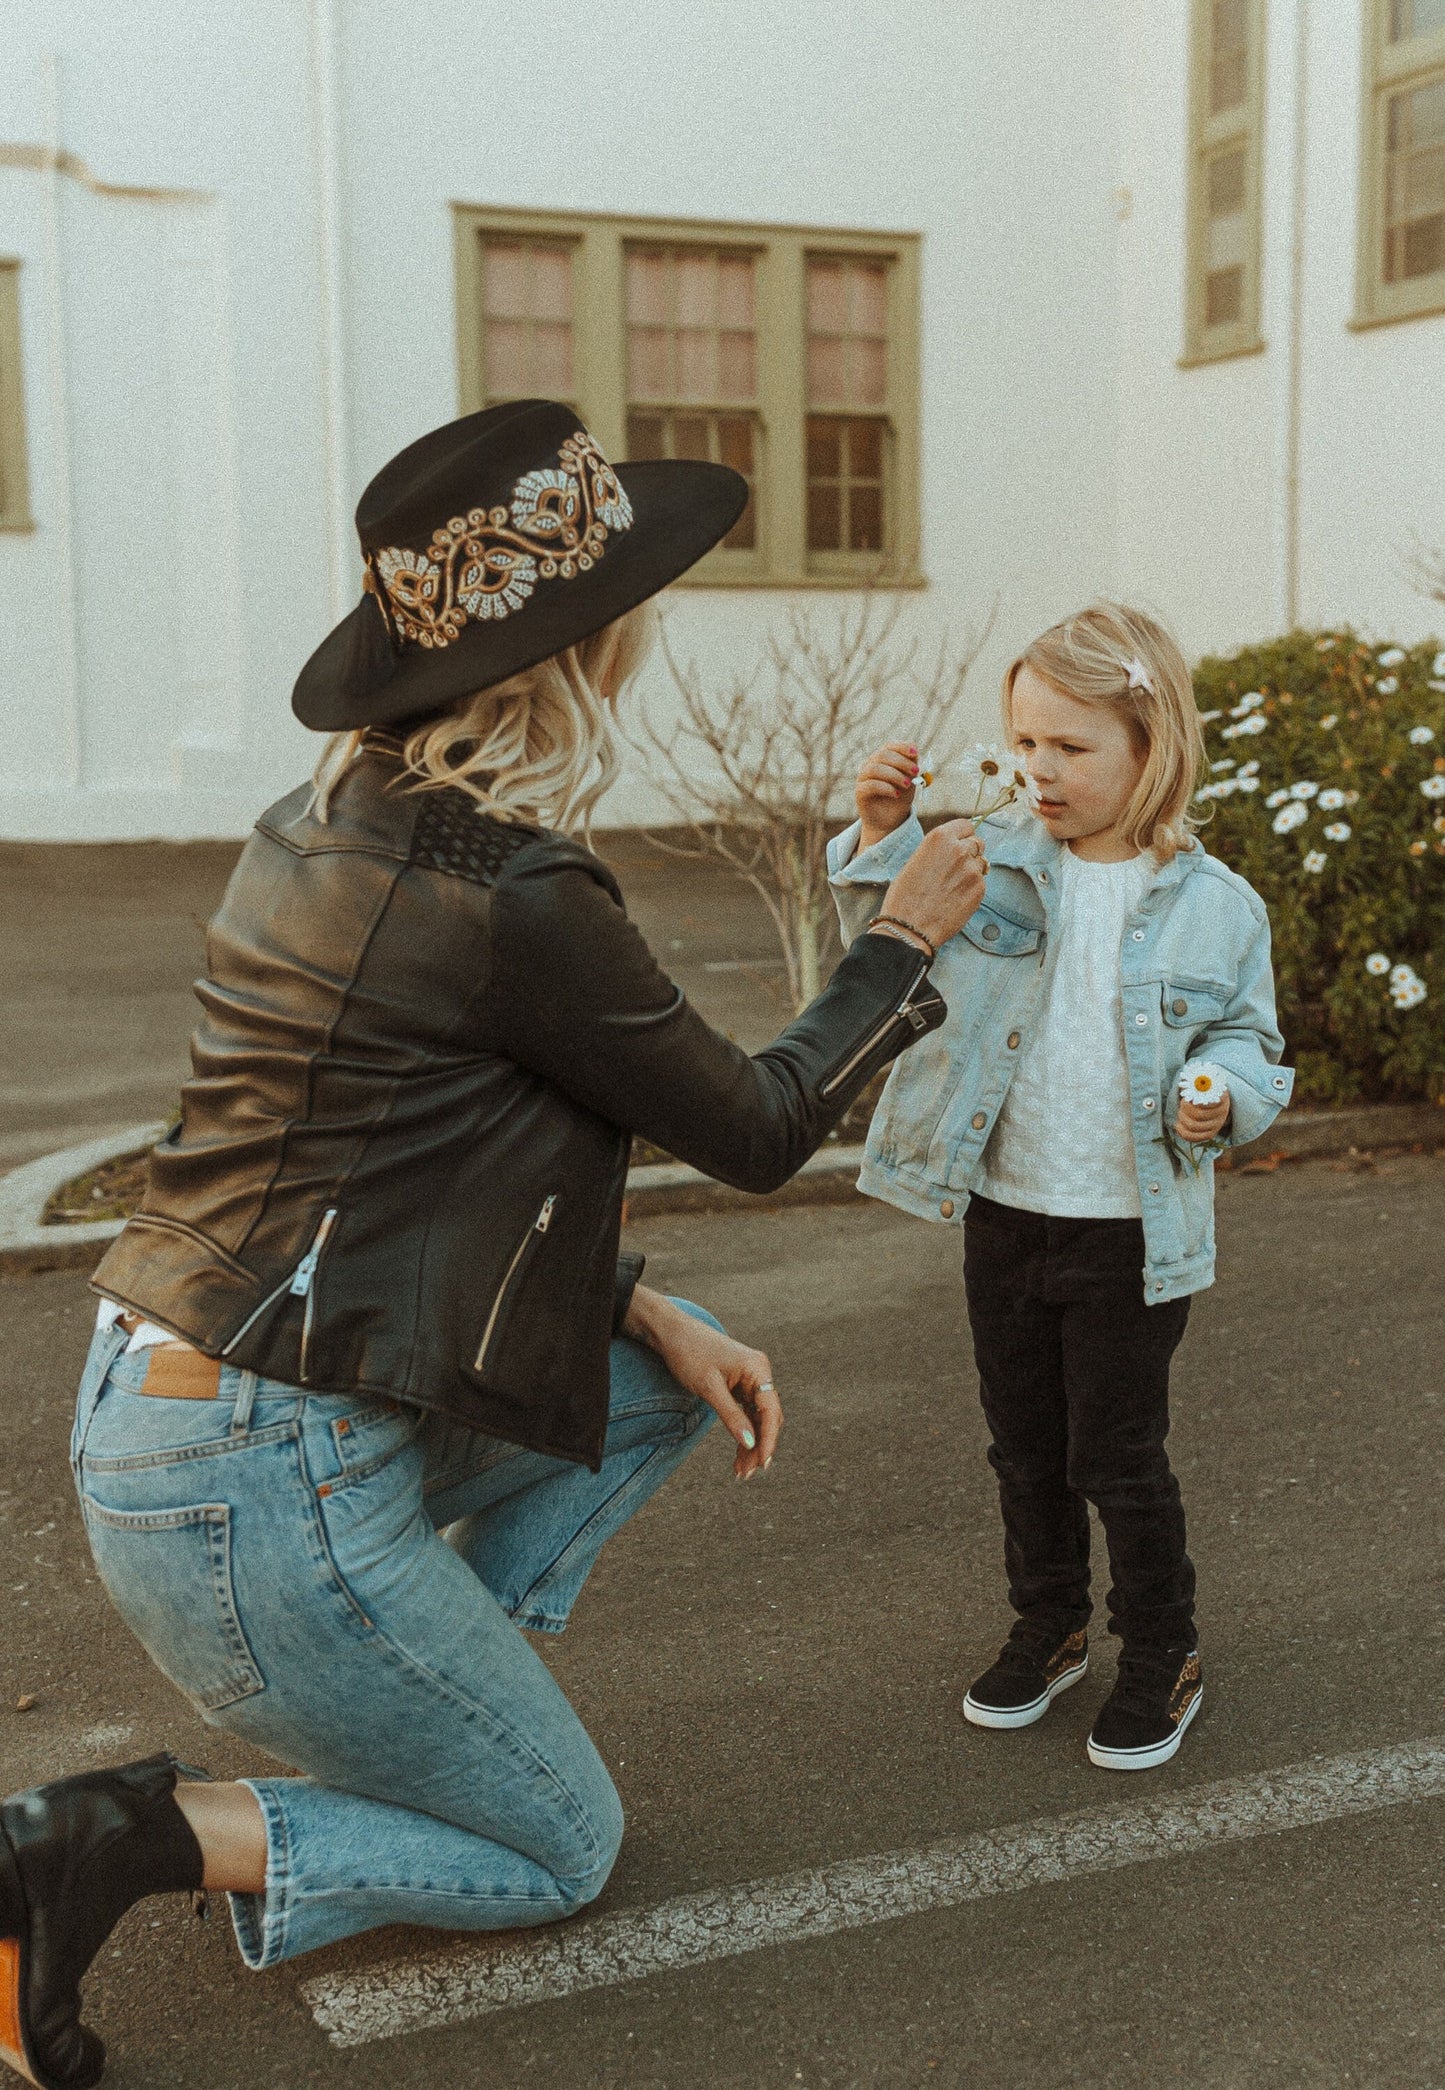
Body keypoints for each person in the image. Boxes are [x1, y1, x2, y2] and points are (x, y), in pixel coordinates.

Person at [0, 401, 988, 2090]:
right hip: (261, 1475)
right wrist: (898, 938)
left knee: (666, 1378)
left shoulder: (318, 828)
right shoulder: (514, 892)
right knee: (557, 1849)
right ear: (589, 653)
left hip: (174, 1415)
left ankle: (406, 1686)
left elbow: (378, 1166)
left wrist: (639, 1298)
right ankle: (96, 1847)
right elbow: (753, 1126)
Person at [830, 602, 1294, 1774]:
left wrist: (1217, 1094)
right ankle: (1049, 1619)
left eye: (1069, 748)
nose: (1036, 769)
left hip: (1131, 1232)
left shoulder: (1216, 905)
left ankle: (1161, 1646)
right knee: (1021, 1444)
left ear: (1152, 746)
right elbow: (889, 942)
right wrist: (880, 830)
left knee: (1115, 1455)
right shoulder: (987, 864)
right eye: (1022, 742)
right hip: (1004, 1209)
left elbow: (1251, 1043)